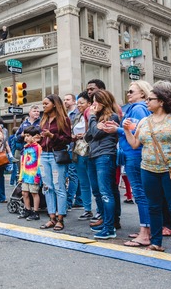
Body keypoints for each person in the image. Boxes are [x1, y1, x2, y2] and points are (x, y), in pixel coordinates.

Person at [123, 84, 171, 254]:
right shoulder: (144, 121)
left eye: (150, 99)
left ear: (161, 101)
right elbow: (134, 144)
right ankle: (156, 242)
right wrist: (126, 130)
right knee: (153, 206)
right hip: (147, 169)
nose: (147, 102)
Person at [103, 80, 152, 247]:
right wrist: (118, 127)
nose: (128, 93)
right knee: (141, 192)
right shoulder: (136, 108)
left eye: (132, 91)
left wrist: (115, 129)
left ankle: (145, 233)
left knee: (140, 193)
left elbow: (138, 131)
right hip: (132, 154)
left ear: (143, 94)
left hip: (135, 154)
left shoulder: (138, 108)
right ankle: (146, 230)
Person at [85, 90, 121, 240]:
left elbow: (96, 133)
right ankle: (107, 222)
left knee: (106, 192)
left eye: (96, 101)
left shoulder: (112, 117)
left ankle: (109, 227)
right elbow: (88, 136)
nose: (93, 105)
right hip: (94, 155)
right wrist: (94, 124)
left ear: (103, 101)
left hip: (105, 156)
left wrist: (92, 119)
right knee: (98, 191)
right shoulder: (97, 118)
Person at [38, 94, 72, 231]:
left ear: (54, 104)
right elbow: (42, 138)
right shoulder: (44, 120)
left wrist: (51, 136)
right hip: (44, 155)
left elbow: (68, 139)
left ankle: (60, 218)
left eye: (46, 103)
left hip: (56, 155)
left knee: (59, 187)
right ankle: (51, 217)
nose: (44, 106)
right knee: (47, 187)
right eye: (43, 104)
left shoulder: (64, 119)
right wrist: (39, 139)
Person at [71, 91, 95, 221]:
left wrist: (85, 134)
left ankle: (100, 212)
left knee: (95, 183)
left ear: (90, 103)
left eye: (82, 103)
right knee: (84, 182)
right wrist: (74, 137)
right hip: (79, 151)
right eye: (78, 103)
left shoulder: (93, 115)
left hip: (91, 151)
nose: (79, 105)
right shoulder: (77, 116)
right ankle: (87, 209)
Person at [17, 126, 42, 221]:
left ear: (34, 137)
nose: (26, 138)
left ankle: (35, 212)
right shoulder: (26, 148)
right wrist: (21, 175)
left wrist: (38, 175)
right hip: (26, 174)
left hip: (34, 174)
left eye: (28, 136)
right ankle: (27, 209)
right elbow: (23, 163)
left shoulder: (38, 148)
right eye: (25, 136)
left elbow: (39, 162)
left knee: (34, 193)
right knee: (24, 193)